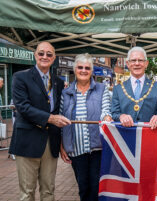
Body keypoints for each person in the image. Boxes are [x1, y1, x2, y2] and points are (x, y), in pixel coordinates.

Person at [9, 42, 71, 201]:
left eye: (49, 54)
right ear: (35, 55)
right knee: (27, 192)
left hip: (51, 143)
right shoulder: (20, 77)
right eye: (41, 53)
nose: (45, 57)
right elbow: (22, 106)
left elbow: (58, 110)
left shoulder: (57, 82)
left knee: (48, 191)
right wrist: (51, 119)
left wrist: (62, 144)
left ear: (54, 58)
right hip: (27, 141)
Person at [60, 53, 112, 201]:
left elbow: (106, 110)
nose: (83, 70)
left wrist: (107, 117)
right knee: (83, 187)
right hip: (76, 149)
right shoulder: (66, 93)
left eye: (87, 68)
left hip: (98, 148)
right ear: (75, 69)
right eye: (80, 67)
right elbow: (61, 121)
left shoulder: (101, 89)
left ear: (92, 70)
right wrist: (62, 145)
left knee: (96, 187)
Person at [111, 46, 157, 129]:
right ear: (128, 64)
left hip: (151, 135)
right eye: (133, 60)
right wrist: (121, 116)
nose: (137, 63)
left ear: (146, 63)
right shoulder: (117, 89)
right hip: (125, 137)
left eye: (140, 60)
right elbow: (114, 113)